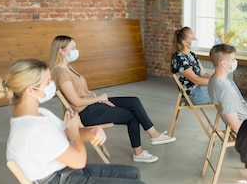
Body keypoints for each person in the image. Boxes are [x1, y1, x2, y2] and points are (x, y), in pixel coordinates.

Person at [0, 59, 184, 184]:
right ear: (30, 90)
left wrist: (91, 131)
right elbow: (78, 160)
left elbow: (67, 133)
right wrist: (76, 132)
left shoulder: (40, 114)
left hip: (64, 176)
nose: (52, 86)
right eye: (47, 82)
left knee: (132, 174)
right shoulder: (31, 130)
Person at [49, 35, 174, 164]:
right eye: (73, 48)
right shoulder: (60, 72)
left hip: (92, 104)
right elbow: (76, 102)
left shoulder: (67, 67)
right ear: (61, 51)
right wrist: (100, 98)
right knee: (131, 116)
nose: (76, 51)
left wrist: (98, 98)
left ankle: (154, 135)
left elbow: (82, 93)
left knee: (133, 101)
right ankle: (138, 153)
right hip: (86, 113)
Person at [208, 44, 247, 132]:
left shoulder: (214, 80)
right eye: (233, 59)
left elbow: (234, 107)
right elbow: (236, 127)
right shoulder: (225, 90)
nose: (235, 61)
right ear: (223, 63)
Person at [171, 26, 212, 105]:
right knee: (224, 90)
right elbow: (196, 80)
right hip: (192, 95)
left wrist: (217, 77)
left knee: (227, 85)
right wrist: (216, 82)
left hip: (199, 89)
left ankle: (239, 114)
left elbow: (203, 73)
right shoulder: (179, 59)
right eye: (193, 38)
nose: (195, 39)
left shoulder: (192, 55)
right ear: (184, 42)